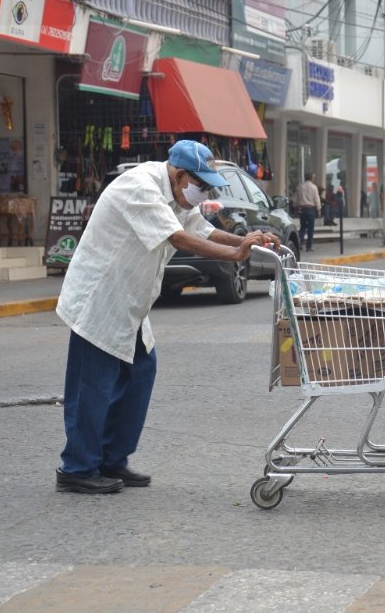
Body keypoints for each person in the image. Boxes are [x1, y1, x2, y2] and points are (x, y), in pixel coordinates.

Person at [54, 140, 280, 494]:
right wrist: (235, 253)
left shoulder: (177, 195)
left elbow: (199, 228)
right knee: (93, 384)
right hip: (100, 299)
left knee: (141, 372)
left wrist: (245, 240)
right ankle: (77, 467)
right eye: (199, 184)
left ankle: (113, 459)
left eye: (207, 186)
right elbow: (178, 237)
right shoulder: (139, 186)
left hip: (130, 301)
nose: (202, 192)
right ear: (178, 174)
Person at [294, 172, 322, 252]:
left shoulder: (300, 186)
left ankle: (298, 244)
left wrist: (296, 208)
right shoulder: (314, 187)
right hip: (310, 209)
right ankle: (308, 247)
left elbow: (296, 199)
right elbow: (317, 199)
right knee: (310, 229)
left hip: (302, 209)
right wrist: (319, 209)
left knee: (302, 227)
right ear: (311, 178)